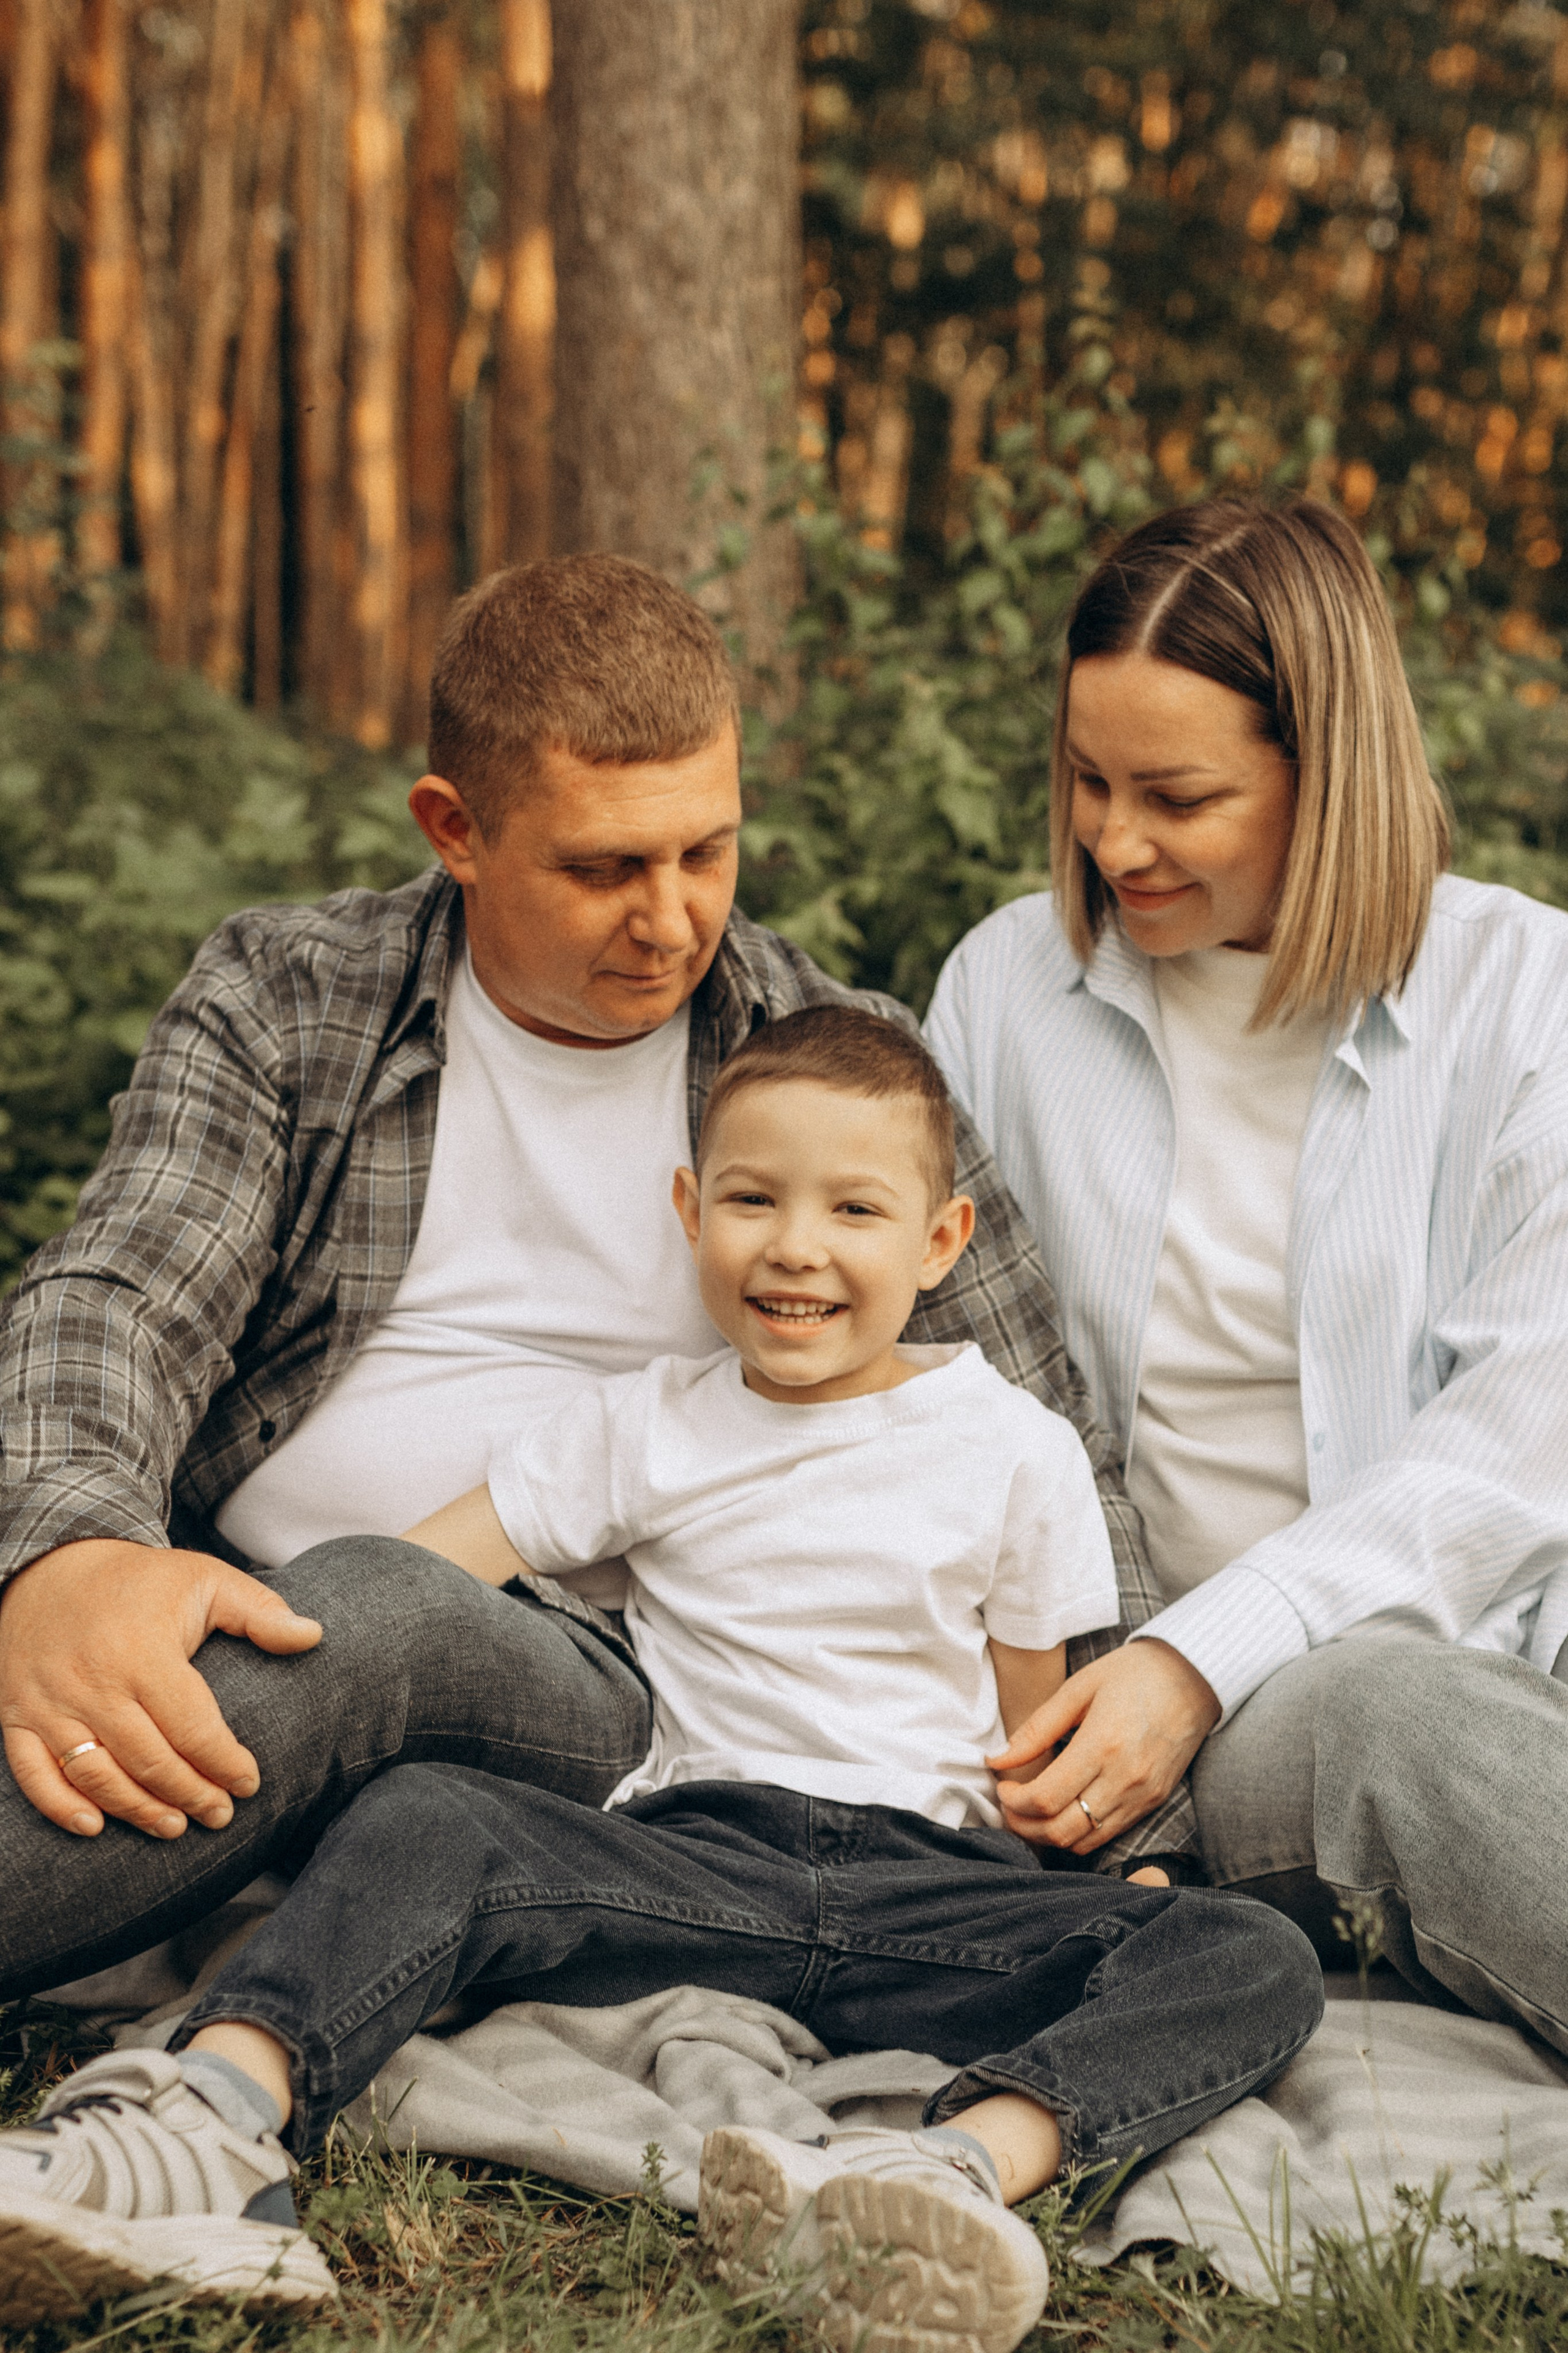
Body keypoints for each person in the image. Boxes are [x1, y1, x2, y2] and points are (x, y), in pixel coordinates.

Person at [0, 1010, 1323, 2344]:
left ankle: (942, 2171)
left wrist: (1121, 1878)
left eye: (854, 1209)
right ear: (691, 1211)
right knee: (432, 1817)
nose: (795, 1245)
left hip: (931, 1886)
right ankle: (208, 2121)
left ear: (939, 1241)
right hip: (691, 1860)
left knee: (1248, 1948)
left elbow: (1041, 1729)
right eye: (752, 1199)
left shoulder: (1015, 1445)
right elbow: (413, 1581)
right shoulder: (645, 1424)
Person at [0, 555, 1193, 2003]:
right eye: (605, 868)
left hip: (614, 1683)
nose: (672, 919)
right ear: (455, 829)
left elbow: (1041, 1435)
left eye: (706, 852)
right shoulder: (293, 997)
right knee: (112, 1598)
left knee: (378, 1613)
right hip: (233, 1590)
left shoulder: (822, 1065)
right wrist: (71, 1558)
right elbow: (119, 1295)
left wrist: (1137, 1827)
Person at [922, 497, 1568, 2048]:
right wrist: (1172, 1662)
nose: (1112, 841)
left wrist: (1197, 1658)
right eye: (1087, 780)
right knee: (1393, 1716)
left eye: (1177, 796)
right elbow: (927, 1386)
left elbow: (1508, 1452)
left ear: (1326, 775)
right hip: (1248, 1717)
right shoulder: (1005, 993)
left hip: (1499, 1630)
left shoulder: (1524, 994)